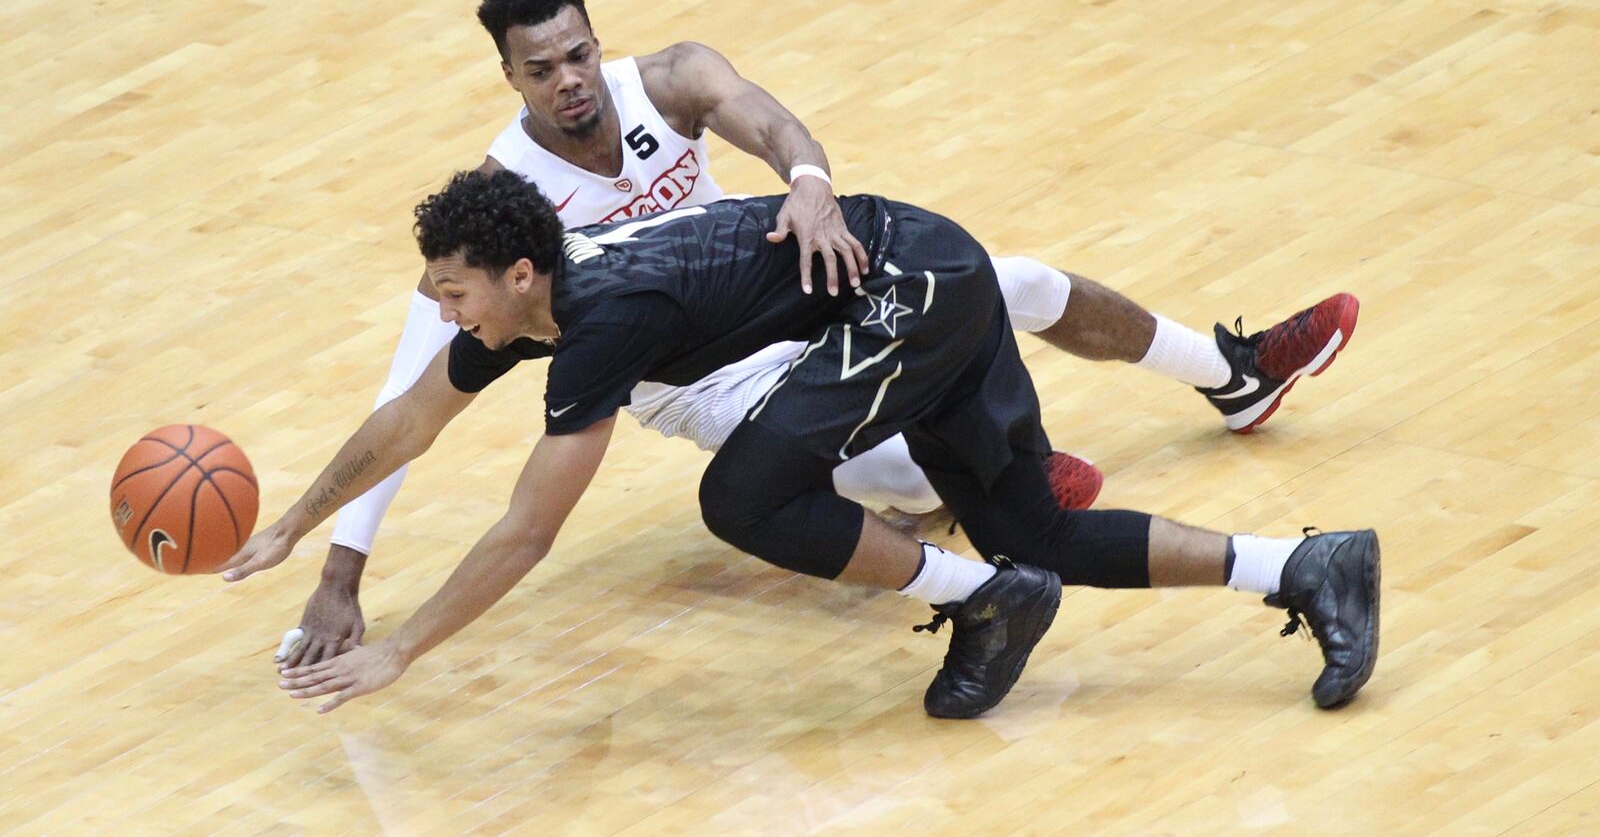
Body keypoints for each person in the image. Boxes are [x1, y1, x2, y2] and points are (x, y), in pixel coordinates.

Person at [276, 0, 1360, 670]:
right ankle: (988, 505)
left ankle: (1222, 376)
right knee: (879, 475)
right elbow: (411, 403)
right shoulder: (500, 217)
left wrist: (807, 182)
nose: (571, 82)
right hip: (702, 374)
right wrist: (334, 565)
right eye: (540, 69)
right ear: (507, 78)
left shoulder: (667, 82)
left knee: (1008, 285)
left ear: (593, 40)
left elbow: (773, 123)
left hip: (787, 283)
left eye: (577, 55)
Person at [234, 172, 1379, 718]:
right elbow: (409, 418)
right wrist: (294, 523)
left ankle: (984, 598)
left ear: (518, 276)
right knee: (1042, 532)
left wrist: (405, 650)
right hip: (916, 285)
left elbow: (528, 531)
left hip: (912, 285)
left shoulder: (596, 327)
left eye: (451, 290)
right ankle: (1302, 566)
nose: (443, 312)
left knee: (745, 493)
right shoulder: (532, 312)